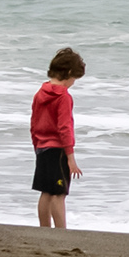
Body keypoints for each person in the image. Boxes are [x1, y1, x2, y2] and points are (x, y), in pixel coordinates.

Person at [30, 47, 86, 229]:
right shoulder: (63, 97)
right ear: (69, 73)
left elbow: (34, 123)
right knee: (58, 193)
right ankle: (61, 231)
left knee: (45, 191)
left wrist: (37, 146)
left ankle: (44, 229)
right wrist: (70, 157)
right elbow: (64, 128)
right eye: (74, 79)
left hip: (42, 148)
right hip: (57, 150)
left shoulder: (40, 94)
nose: (73, 83)